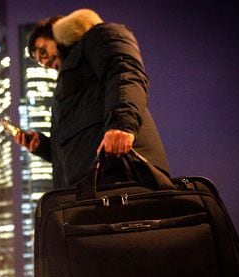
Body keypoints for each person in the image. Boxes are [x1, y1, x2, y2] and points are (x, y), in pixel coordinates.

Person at [15, 8, 169, 188]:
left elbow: (124, 72)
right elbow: (79, 141)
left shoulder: (96, 36)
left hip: (125, 167)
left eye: (42, 51)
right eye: (40, 62)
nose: (45, 61)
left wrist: (122, 124)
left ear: (55, 31)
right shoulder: (67, 83)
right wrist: (43, 146)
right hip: (89, 185)